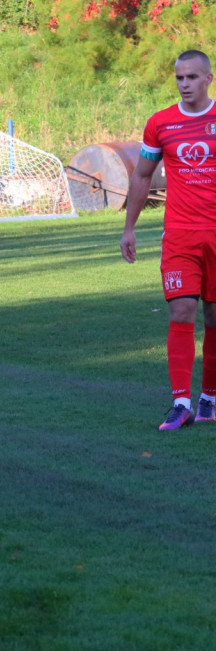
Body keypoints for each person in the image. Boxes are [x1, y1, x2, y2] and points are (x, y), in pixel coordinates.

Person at [121, 49, 216, 431]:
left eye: (192, 77)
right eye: (179, 78)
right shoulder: (160, 124)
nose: (185, 84)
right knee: (182, 314)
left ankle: (209, 398)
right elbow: (142, 176)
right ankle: (181, 404)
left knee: (214, 318)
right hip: (179, 236)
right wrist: (129, 227)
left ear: (208, 78)